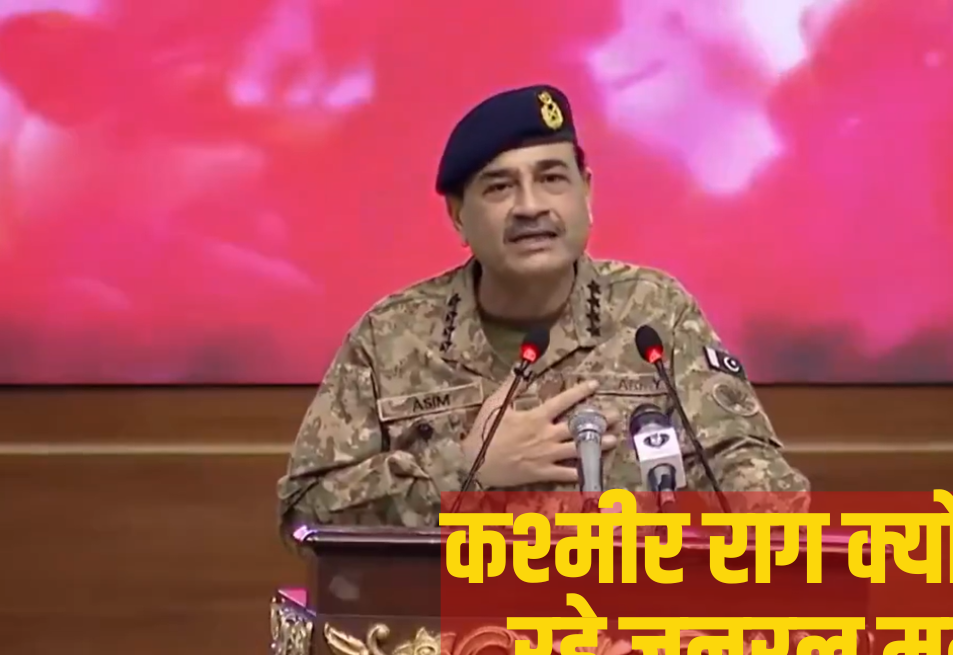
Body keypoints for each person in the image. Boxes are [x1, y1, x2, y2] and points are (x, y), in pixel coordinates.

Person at [276, 84, 809, 541]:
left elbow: (750, 472)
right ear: (458, 216)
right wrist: (466, 470)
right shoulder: (391, 335)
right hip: (450, 624)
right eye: (500, 187)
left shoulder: (655, 314)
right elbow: (305, 515)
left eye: (552, 178)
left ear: (586, 192)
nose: (530, 206)